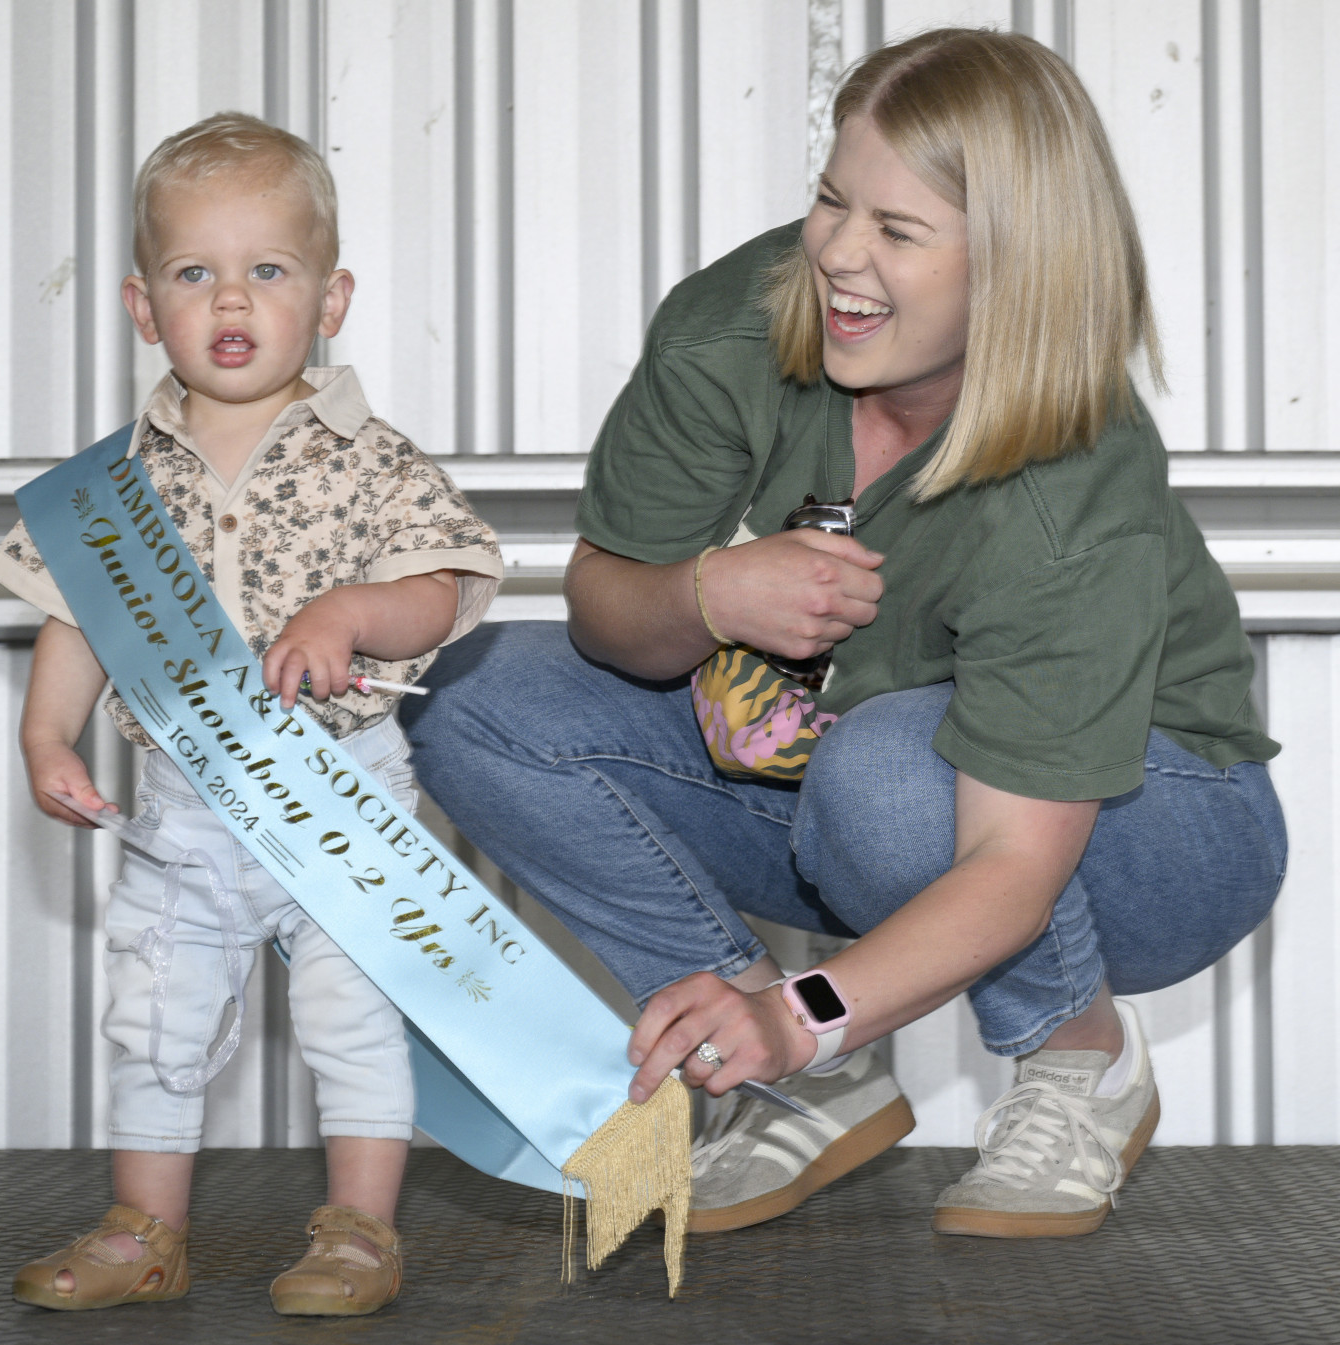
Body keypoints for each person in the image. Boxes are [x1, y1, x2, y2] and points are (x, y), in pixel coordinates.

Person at [404, 28, 1285, 1240]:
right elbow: (608, 608)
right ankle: (793, 1063)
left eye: (898, 231)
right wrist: (709, 594)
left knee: (889, 765)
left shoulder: (1074, 481)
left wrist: (816, 1002)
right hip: (858, 778)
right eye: (830, 200)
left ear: (1016, 269)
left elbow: (1010, 864)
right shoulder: (734, 327)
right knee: (479, 698)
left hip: (1154, 828)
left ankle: (1078, 1056)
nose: (836, 254)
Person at [0, 112, 503, 1313]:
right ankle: (143, 1232)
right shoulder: (109, 487)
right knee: (155, 1011)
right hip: (180, 804)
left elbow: (446, 586)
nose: (231, 297)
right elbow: (76, 617)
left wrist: (350, 614)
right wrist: (43, 732)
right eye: (193, 272)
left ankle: (359, 1233)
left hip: (341, 790)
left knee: (353, 1012)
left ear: (331, 299)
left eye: (267, 269)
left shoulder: (373, 459)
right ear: (139, 305)